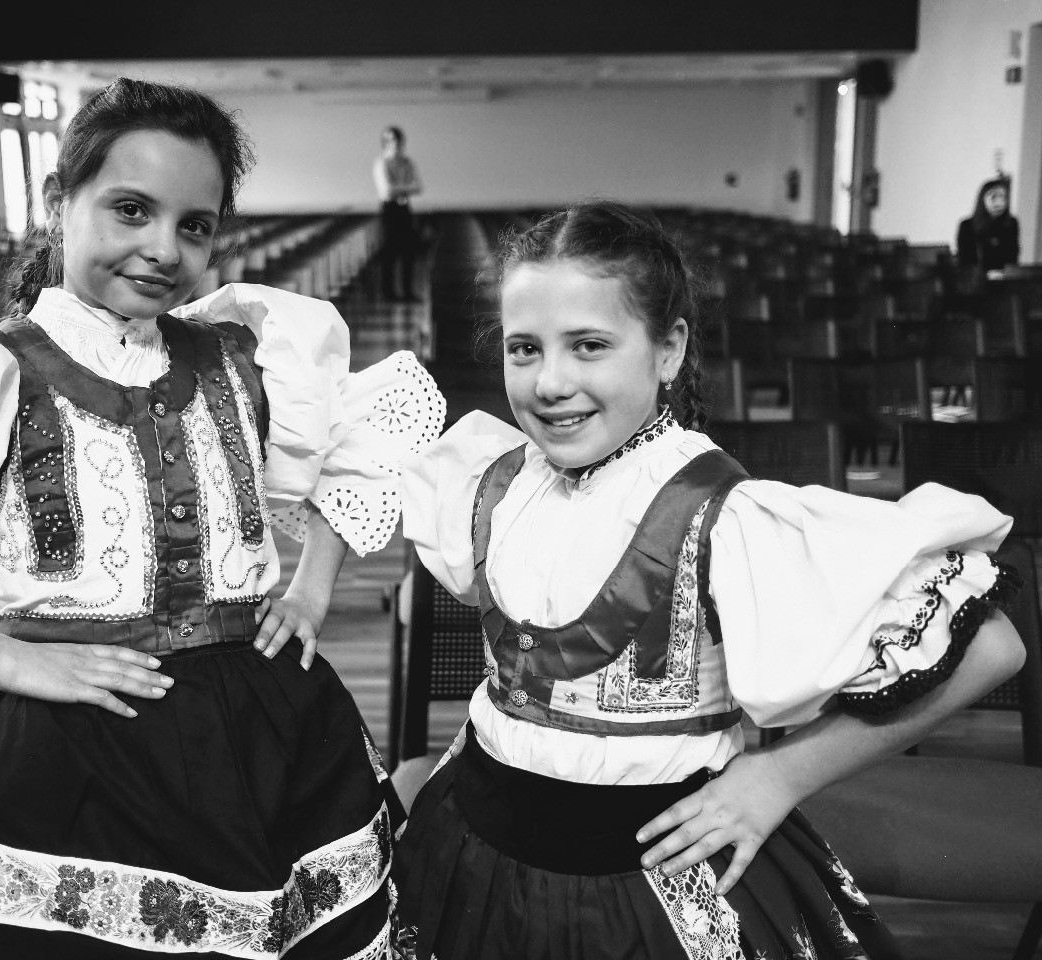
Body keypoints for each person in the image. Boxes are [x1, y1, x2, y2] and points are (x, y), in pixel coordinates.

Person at [0, 78, 444, 957]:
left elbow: (356, 450)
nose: (163, 248)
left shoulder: (246, 354)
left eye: (194, 226)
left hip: (264, 746)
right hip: (59, 760)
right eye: (130, 209)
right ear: (58, 202)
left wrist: (310, 589)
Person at [392, 201, 1026, 959]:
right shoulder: (493, 482)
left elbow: (992, 647)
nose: (551, 381)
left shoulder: (725, 516)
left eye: (589, 345)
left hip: (645, 884)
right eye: (524, 349)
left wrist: (779, 777)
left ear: (669, 350)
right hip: (473, 850)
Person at [373, 126, 423, 302]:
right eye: (390, 140)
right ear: (385, 143)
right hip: (389, 209)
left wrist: (398, 189)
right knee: (390, 250)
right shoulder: (381, 163)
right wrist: (406, 188)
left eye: (397, 140)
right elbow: (387, 189)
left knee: (409, 250)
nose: (394, 144)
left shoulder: (407, 162)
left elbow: (419, 186)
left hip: (404, 208)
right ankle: (388, 293)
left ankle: (408, 291)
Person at [957, 176, 1020, 275]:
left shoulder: (1011, 224)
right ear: (982, 199)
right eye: (993, 197)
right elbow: (964, 261)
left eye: (1003, 197)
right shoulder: (967, 225)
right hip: (975, 278)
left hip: (1004, 278)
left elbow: (1013, 257)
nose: (999, 203)